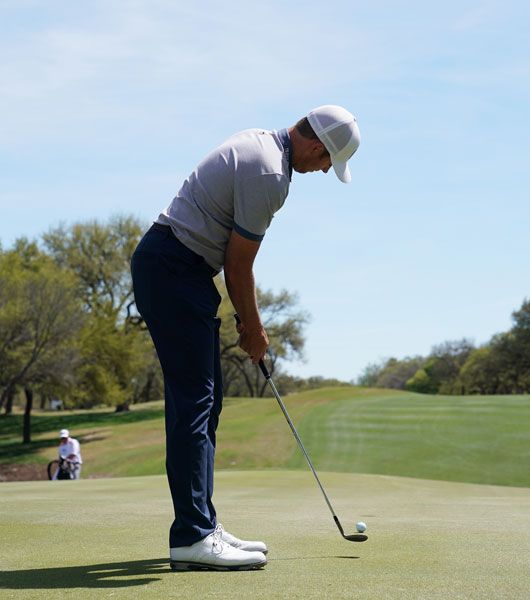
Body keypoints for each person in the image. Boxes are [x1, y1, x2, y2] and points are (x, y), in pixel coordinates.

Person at [131, 105, 360, 571]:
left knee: (205, 402)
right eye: (325, 163)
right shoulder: (270, 174)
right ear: (316, 146)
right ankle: (192, 536)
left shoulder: (261, 143)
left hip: (180, 270)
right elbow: (238, 266)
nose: (320, 172)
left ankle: (204, 526)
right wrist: (253, 330)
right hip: (174, 268)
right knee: (195, 403)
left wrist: (247, 322)